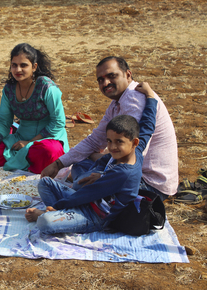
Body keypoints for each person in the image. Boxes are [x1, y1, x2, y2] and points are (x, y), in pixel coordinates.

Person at [26, 83, 157, 233]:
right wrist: (150, 97)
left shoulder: (124, 172)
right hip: (87, 201)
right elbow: (148, 125)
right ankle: (60, 214)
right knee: (45, 183)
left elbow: (87, 194)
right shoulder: (136, 150)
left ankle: (52, 214)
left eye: (119, 142)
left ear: (134, 142)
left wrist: (57, 207)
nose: (112, 147)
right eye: (109, 141)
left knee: (45, 222)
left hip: (94, 216)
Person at [41, 56, 178, 200]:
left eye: (112, 76)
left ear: (128, 74)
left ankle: (75, 198)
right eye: (100, 80)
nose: (106, 83)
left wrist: (103, 175)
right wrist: (58, 164)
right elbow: (95, 140)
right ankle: (81, 190)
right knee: (79, 165)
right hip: (125, 169)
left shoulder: (134, 100)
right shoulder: (118, 102)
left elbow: (134, 155)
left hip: (148, 182)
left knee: (81, 183)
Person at [0, 43, 69, 174]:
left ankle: (25, 160)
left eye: (23, 65)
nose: (18, 70)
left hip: (48, 139)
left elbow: (58, 122)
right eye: (14, 65)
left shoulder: (46, 87)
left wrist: (29, 142)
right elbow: (4, 121)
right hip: (19, 139)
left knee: (49, 152)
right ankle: (28, 161)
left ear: (34, 67)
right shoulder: (9, 89)